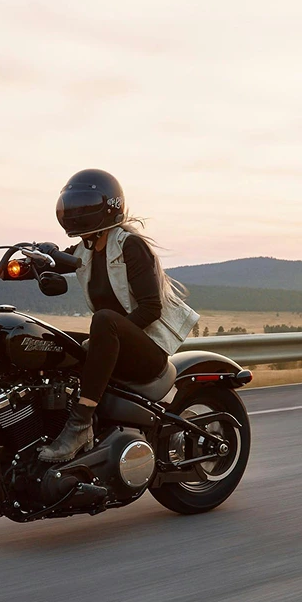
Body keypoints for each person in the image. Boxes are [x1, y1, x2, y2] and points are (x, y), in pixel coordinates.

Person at [34, 169, 200, 462]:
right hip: (118, 344)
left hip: (147, 354)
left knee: (104, 320)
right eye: (72, 206)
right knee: (48, 340)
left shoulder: (129, 246)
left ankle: (80, 424)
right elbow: (32, 268)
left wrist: (113, 335)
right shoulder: (85, 250)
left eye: (83, 205)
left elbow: (151, 308)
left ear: (107, 207)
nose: (75, 213)